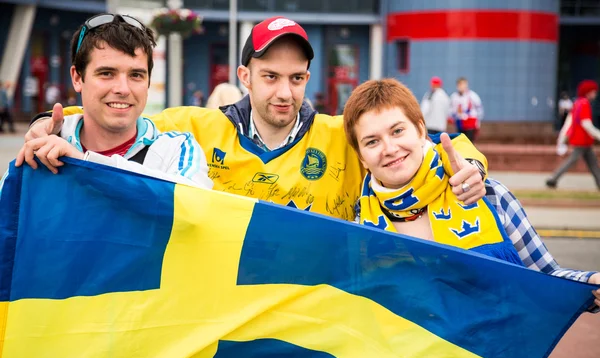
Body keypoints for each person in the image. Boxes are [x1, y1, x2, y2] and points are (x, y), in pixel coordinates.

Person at [23, 16, 487, 222]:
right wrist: (52, 120)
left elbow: (427, 142)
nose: (284, 92)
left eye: (296, 77)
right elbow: (123, 114)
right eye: (269, 76)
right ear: (244, 74)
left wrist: (471, 166)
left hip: (322, 318)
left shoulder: (339, 135)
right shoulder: (199, 127)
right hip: (232, 323)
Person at [343, 78, 600, 358]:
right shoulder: (356, 226)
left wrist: (591, 282)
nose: (390, 148)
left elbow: (547, 278)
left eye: (397, 131)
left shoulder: (489, 196)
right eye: (372, 141)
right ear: (361, 156)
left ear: (421, 130)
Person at [8, 13, 212, 191]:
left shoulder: (177, 149)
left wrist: (85, 164)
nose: (122, 89)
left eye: (136, 75)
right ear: (77, 78)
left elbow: (189, 206)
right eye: (106, 73)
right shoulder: (42, 146)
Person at [547, 80, 600, 190]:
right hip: (582, 140)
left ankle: (553, 179)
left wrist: (562, 137)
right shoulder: (584, 104)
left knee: (593, 163)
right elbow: (587, 125)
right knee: (573, 160)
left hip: (582, 140)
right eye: (594, 92)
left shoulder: (577, 103)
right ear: (588, 92)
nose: (595, 94)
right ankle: (553, 179)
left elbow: (568, 123)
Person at [449, 77, 483, 142]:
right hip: (460, 123)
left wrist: (477, 123)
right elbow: (451, 110)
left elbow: (479, 109)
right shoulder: (454, 97)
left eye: (463, 84)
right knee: (461, 142)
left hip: (470, 123)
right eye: (460, 85)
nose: (461, 86)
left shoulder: (472, 96)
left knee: (469, 142)